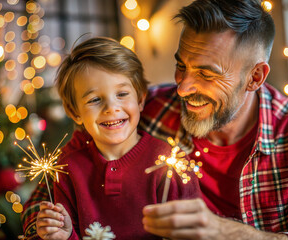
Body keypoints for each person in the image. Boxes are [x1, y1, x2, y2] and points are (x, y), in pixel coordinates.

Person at [23, 0, 288, 239]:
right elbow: (49, 195)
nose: (183, 87)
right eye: (182, 65)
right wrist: (48, 223)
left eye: (205, 73)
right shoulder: (145, 109)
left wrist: (223, 231)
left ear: (255, 76)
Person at [23, 37, 201, 240]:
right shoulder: (67, 166)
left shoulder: (171, 163)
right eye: (95, 99)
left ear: (141, 99)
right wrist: (65, 235)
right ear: (74, 111)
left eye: (122, 93)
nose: (111, 108)